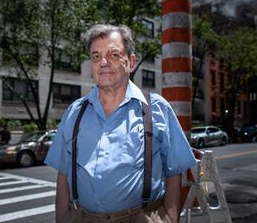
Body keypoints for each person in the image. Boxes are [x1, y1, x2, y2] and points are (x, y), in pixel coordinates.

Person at [44, 24, 196, 223]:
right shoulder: (74, 112)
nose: (103, 62)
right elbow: (63, 173)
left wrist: (170, 217)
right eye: (96, 56)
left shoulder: (157, 108)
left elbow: (175, 170)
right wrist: (63, 218)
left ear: (131, 62)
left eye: (114, 54)